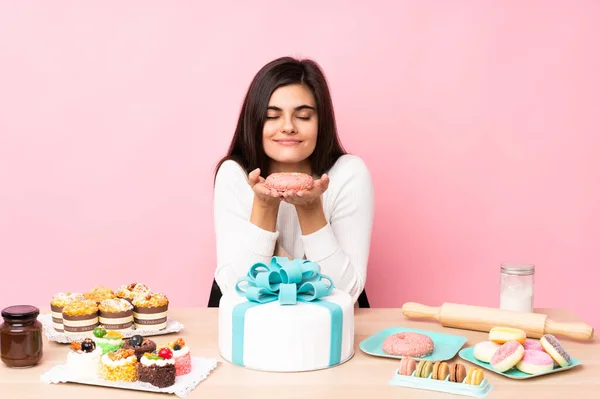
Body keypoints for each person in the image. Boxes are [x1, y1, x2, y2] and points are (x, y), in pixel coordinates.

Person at [212, 56, 374, 305]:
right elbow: (235, 291)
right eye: (272, 116)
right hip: (251, 327)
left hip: (326, 329)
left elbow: (347, 293)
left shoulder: (347, 173)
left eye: (304, 116)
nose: (288, 127)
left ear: (321, 122)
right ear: (255, 122)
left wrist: (310, 210)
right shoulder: (235, 174)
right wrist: (265, 207)